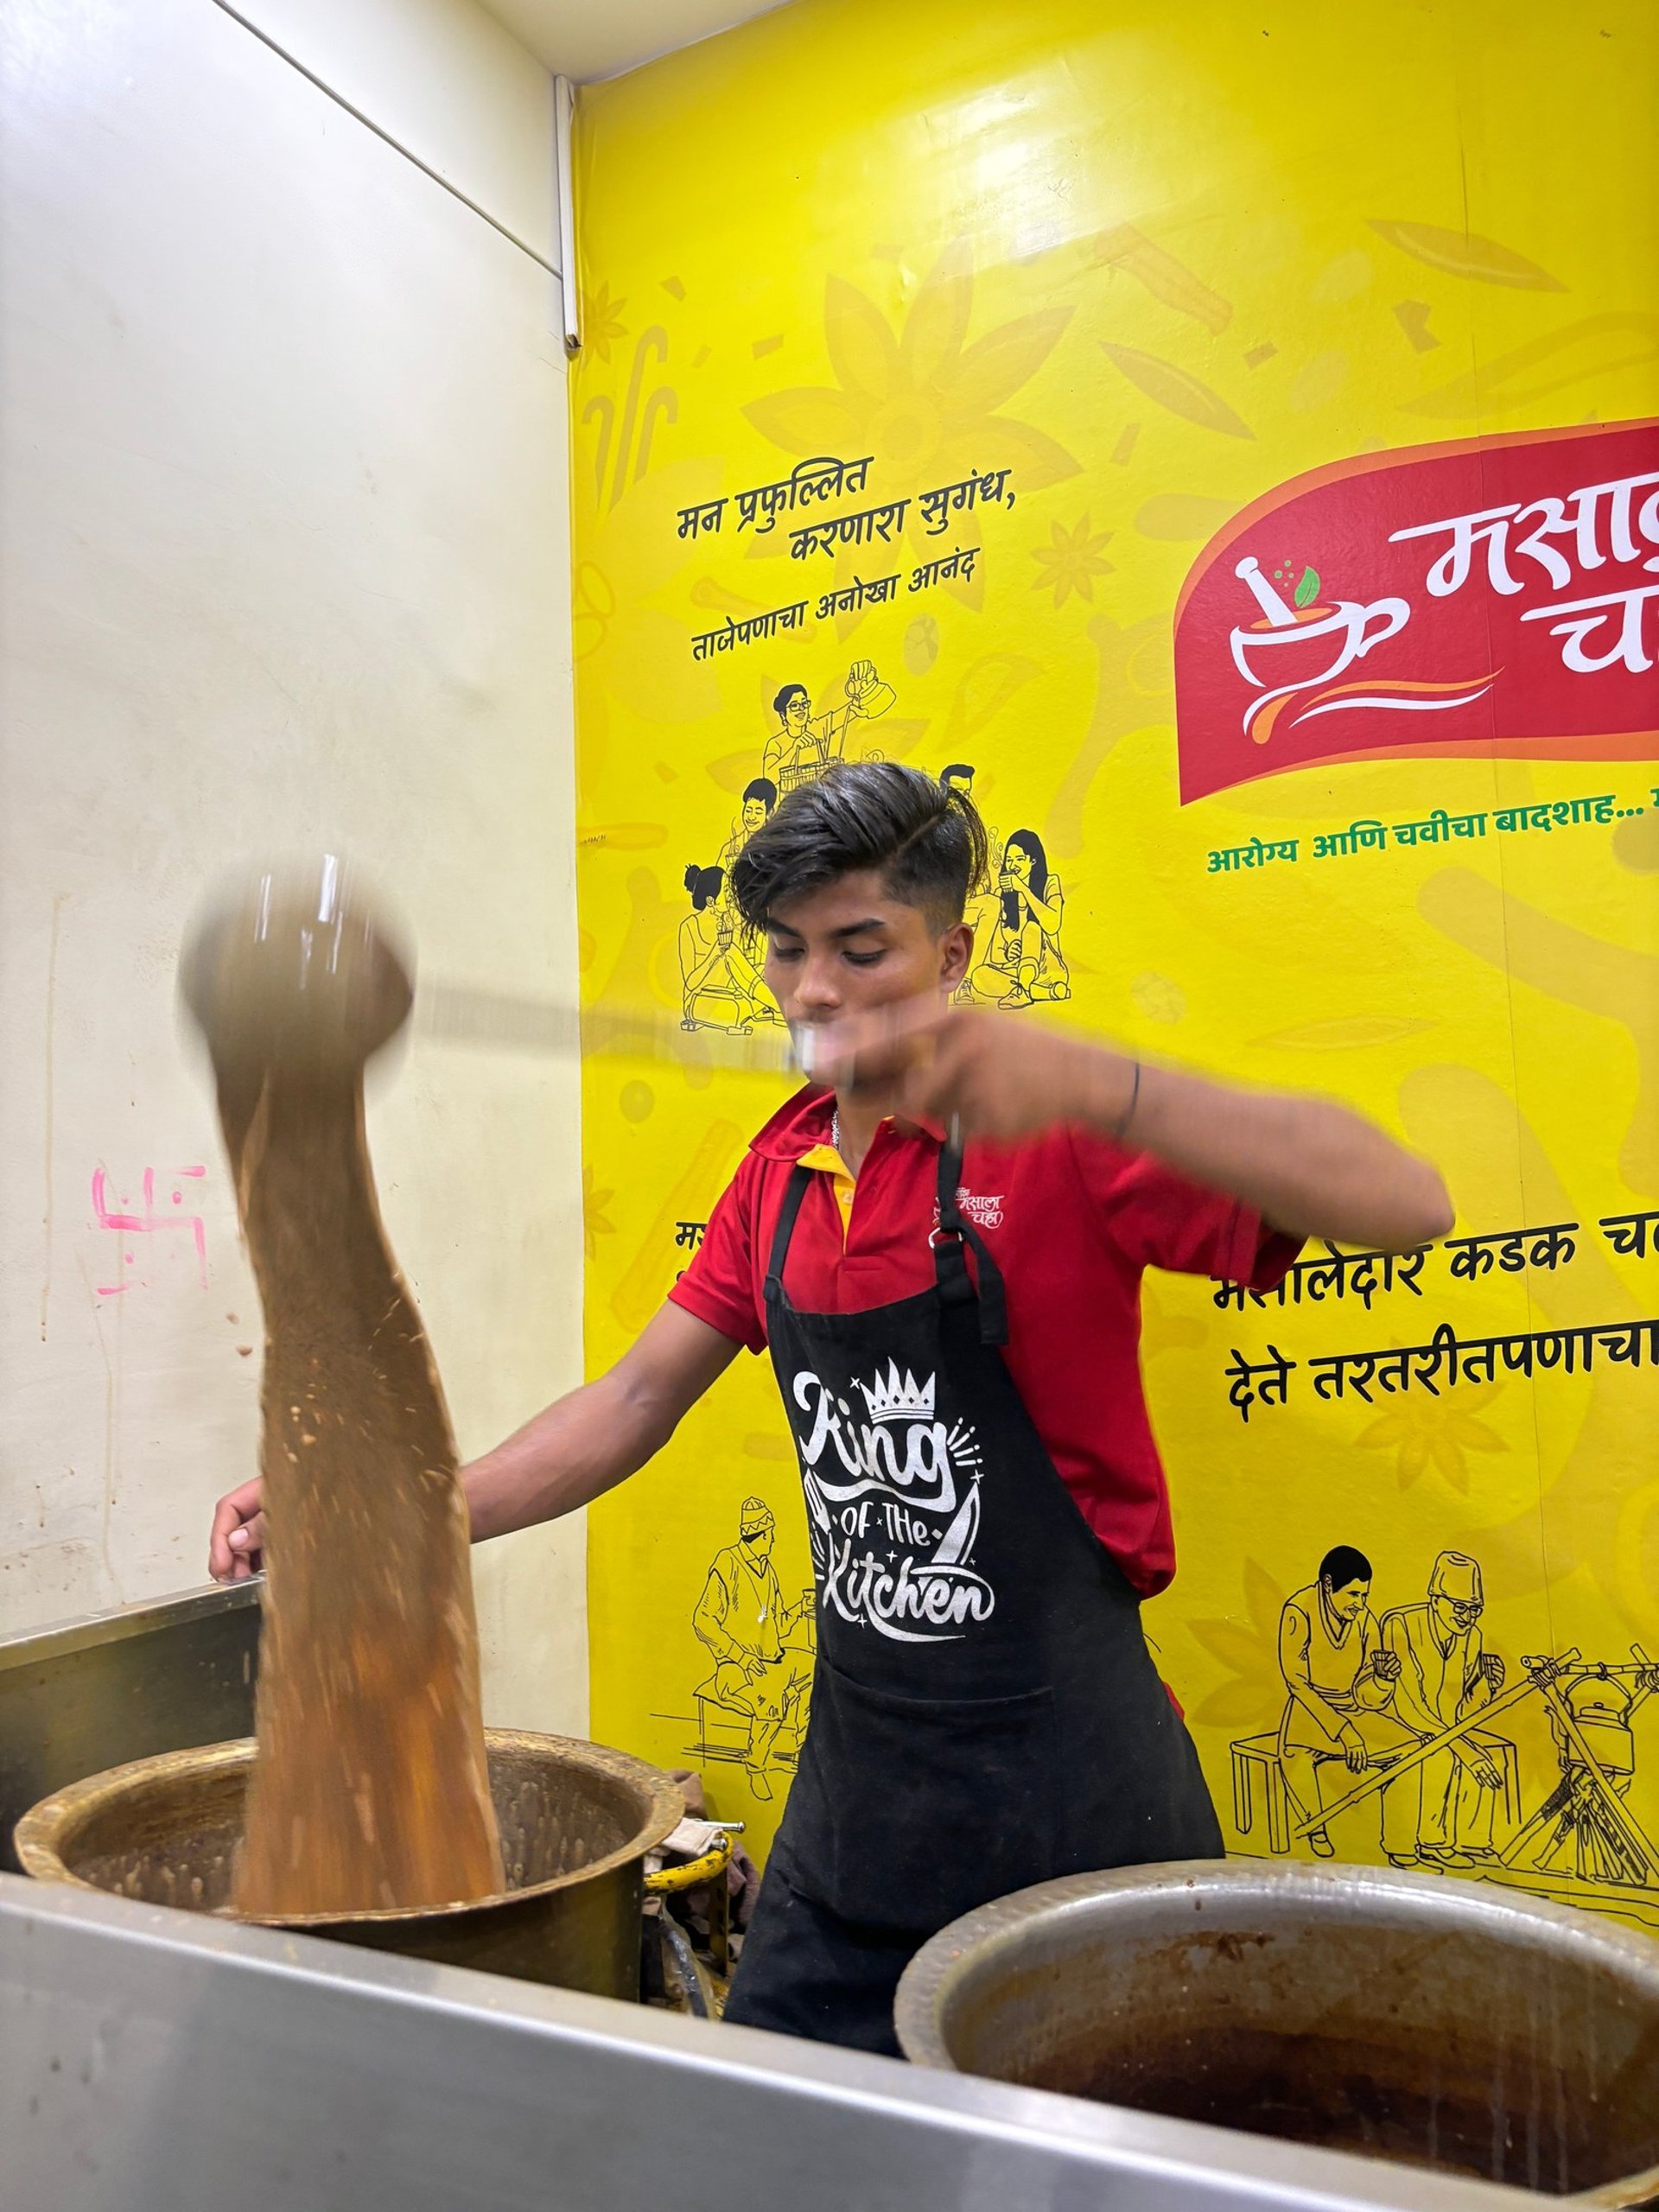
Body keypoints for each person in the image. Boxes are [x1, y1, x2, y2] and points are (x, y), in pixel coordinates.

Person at [209, 761, 1453, 2056]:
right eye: (789, 952)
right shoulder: (780, 1174)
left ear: (951, 951)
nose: (815, 988)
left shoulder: (1063, 1136)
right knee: (777, 2144)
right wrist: (394, 1518)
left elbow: (1402, 1203)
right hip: (859, 1810)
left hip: (1076, 1803)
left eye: (862, 949)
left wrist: (1109, 1086)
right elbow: (634, 1398)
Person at [1275, 1545, 1417, 1860]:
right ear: (1328, 1585)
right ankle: (1317, 1828)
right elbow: (1297, 1682)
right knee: (1293, 1756)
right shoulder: (1299, 1611)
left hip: (1352, 1706)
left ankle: (1399, 1845)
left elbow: (1367, 1695)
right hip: (1310, 1708)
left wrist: (1382, 1680)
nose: (1360, 1604)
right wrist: (1346, 1733)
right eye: (1353, 1595)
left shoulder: (1366, 1620)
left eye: (1364, 1596)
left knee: (1412, 1749)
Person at [1381, 1551, 1509, 1869]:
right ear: (1435, 1598)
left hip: (1443, 1729)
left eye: (1475, 1609)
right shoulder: (1401, 1625)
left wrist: (1486, 1685)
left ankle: (1471, 1841)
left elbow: (1464, 1713)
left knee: (1491, 1753)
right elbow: (1406, 1705)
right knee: (1439, 1753)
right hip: (1394, 1722)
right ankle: (1423, 1843)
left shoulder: (1473, 1638)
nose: (1467, 1617)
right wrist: (1464, 1749)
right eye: (1460, 1607)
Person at [691, 1497, 813, 1802]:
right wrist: (741, 1656)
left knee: (815, 1670)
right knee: (772, 1702)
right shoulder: (728, 1564)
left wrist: (798, 1610)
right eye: (769, 1533)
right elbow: (703, 1621)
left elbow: (775, 1624)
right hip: (735, 1667)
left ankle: (802, 1748)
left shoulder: (767, 1569)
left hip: (771, 1660)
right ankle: (756, 1765)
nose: (773, 1539)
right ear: (758, 1534)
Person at [966, 828, 1069, 1007]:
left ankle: (1024, 988)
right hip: (1014, 972)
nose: (1013, 865)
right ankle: (1041, 992)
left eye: (1020, 859)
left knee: (1032, 928)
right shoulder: (1003, 895)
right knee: (979, 975)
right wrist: (1008, 951)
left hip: (1047, 970)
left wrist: (1023, 888)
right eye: (1009, 860)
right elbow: (998, 947)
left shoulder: (1049, 884)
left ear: (1033, 861)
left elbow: (1052, 924)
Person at [762, 664, 892, 793]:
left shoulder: (818, 728)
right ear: (783, 714)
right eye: (794, 705)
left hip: (822, 801)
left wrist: (858, 691)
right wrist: (794, 749)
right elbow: (769, 778)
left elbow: (851, 711)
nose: (801, 709)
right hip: (792, 806)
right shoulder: (776, 743)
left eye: (804, 703)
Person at [678, 863, 768, 1030]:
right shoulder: (689, 927)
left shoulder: (727, 922)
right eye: (726, 894)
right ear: (711, 900)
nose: (731, 899)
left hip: (725, 995)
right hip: (697, 1000)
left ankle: (769, 1004)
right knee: (730, 953)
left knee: (764, 967)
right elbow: (690, 984)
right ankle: (774, 1005)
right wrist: (717, 952)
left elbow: (738, 973)